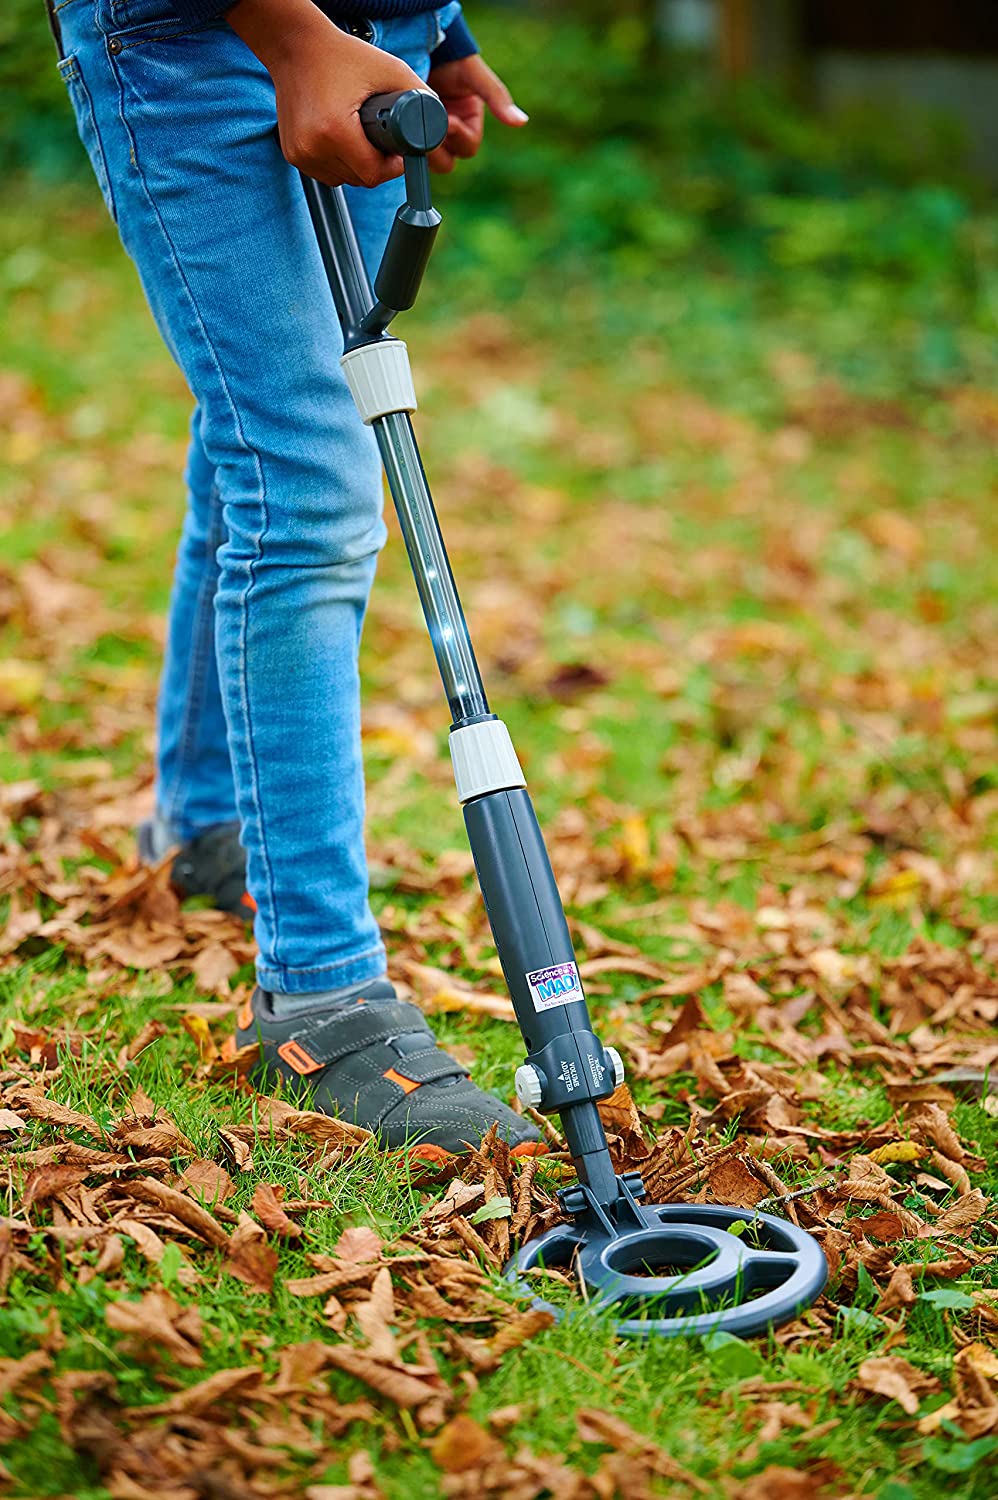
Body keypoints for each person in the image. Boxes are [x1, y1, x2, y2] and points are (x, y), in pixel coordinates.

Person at [48, 0, 540, 1160]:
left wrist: (439, 26)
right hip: (197, 34)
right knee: (308, 480)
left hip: (371, 42)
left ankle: (207, 820)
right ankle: (323, 997)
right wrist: (286, 32)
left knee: (257, 450)